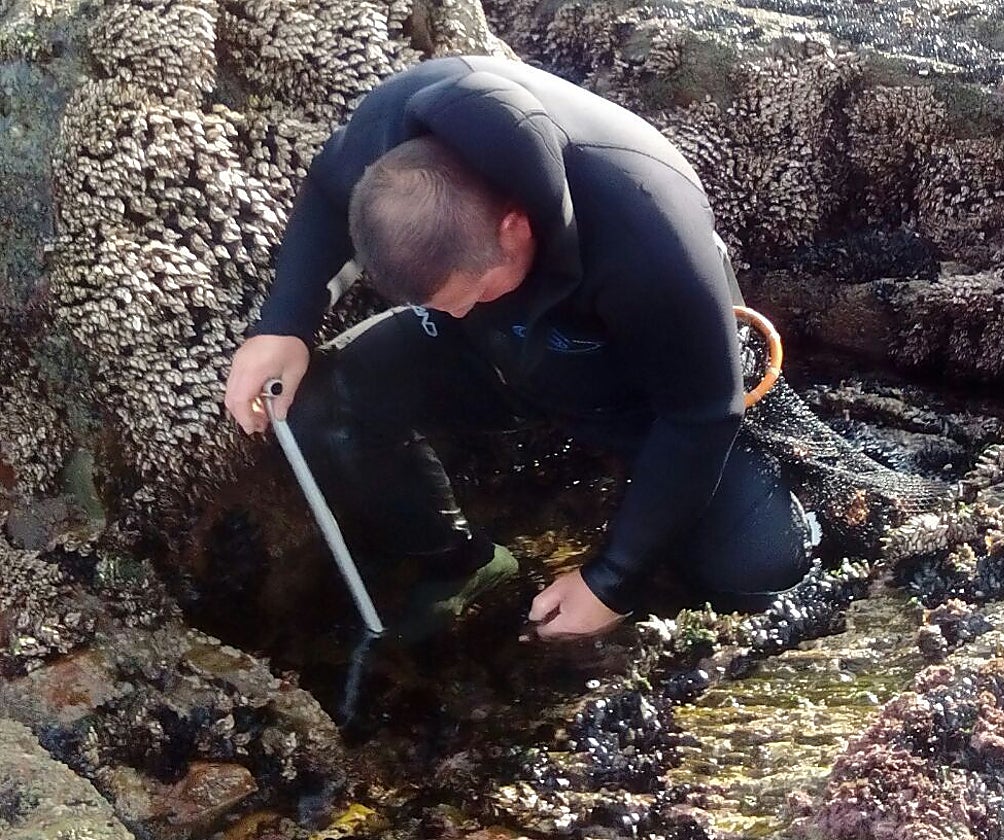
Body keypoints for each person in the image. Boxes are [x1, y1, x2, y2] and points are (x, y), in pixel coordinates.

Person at [224, 55, 815, 640]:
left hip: (641, 384)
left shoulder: (650, 235)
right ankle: (461, 563)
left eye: (470, 292)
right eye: (436, 303)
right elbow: (330, 188)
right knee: (320, 411)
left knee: (760, 576)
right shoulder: (394, 128)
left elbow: (703, 413)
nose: (453, 309)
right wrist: (284, 324)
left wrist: (613, 582)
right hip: (496, 352)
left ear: (517, 227)